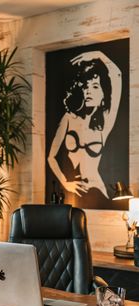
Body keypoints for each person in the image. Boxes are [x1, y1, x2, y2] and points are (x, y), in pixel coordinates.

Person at [48, 51, 122, 200]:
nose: (88, 91)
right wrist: (65, 182)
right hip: (73, 192)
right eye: (86, 86)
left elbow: (117, 76)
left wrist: (99, 54)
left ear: (103, 96)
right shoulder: (68, 118)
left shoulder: (105, 123)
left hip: (97, 189)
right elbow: (51, 157)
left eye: (95, 87)